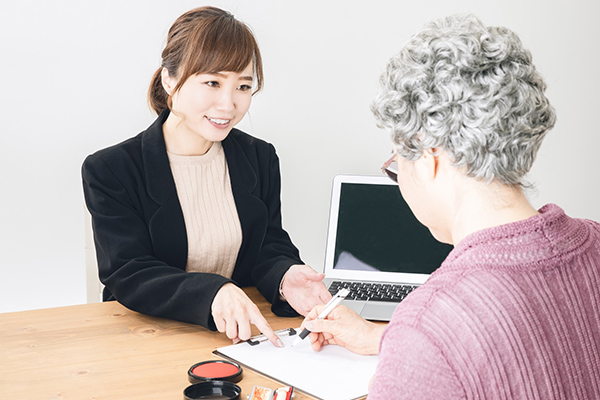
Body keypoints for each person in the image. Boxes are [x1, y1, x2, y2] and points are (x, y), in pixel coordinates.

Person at [302, 14, 600, 399]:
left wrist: (407, 358)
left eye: (397, 163)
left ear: (430, 157)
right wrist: (384, 337)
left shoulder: (430, 324)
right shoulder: (594, 242)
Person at [82, 6, 330, 347]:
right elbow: (128, 272)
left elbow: (266, 245)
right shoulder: (112, 169)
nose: (228, 104)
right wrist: (214, 292)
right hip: (146, 336)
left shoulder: (259, 158)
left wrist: (287, 277)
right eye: (212, 82)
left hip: (238, 335)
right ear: (170, 79)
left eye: (243, 86)